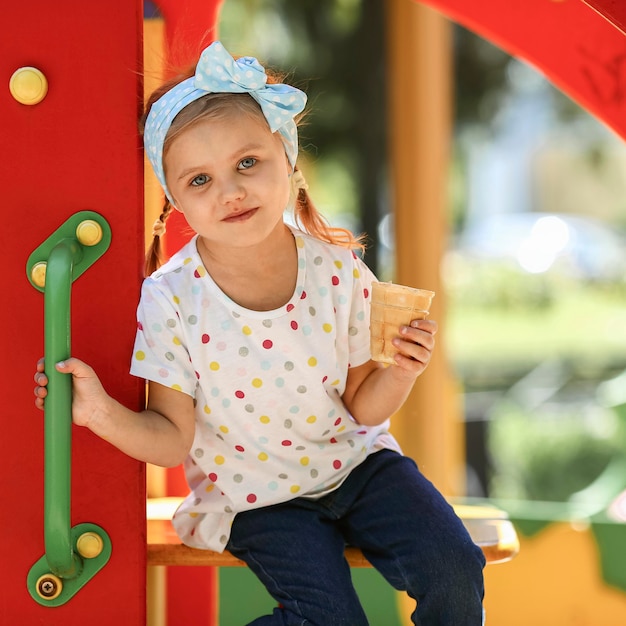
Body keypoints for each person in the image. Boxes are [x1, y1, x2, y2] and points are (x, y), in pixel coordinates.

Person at [34, 41, 485, 625]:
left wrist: (401, 370)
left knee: (455, 568)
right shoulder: (172, 299)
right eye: (200, 180)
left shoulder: (337, 268)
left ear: (290, 161)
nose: (230, 190)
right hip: (258, 499)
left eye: (248, 162)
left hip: (358, 468)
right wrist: (97, 412)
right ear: (176, 202)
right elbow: (172, 439)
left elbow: (363, 408)